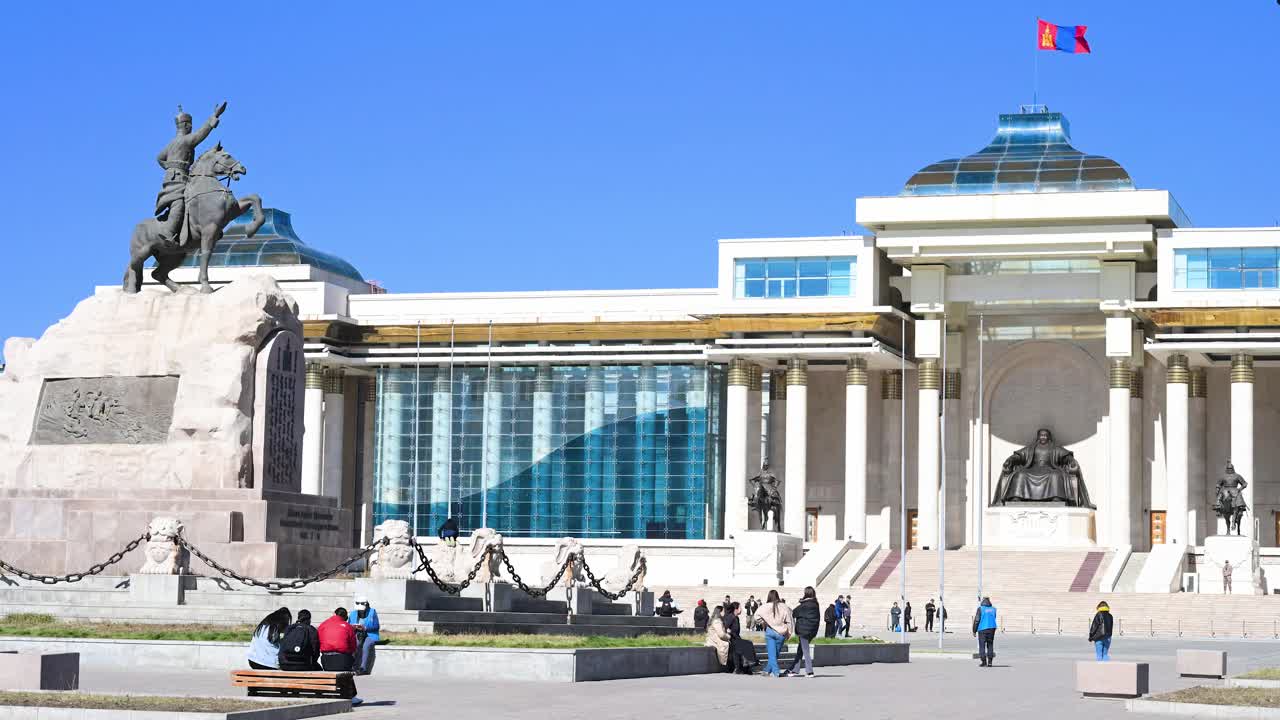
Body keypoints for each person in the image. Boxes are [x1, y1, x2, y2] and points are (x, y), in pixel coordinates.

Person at [783, 586, 819, 678]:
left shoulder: (804, 605)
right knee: (801, 650)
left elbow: (794, 613)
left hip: (803, 631)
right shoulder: (815, 604)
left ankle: (809, 671)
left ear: (806, 593)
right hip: (812, 631)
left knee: (805, 651)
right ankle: (795, 669)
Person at [757, 589, 793, 677]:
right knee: (775, 654)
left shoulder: (765, 606)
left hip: (770, 631)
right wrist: (789, 632)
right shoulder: (784, 606)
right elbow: (789, 621)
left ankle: (770, 671)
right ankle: (774, 671)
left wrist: (764, 622)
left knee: (772, 654)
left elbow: (756, 617)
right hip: (781, 632)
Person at [318, 607, 358, 672]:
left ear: (334, 614)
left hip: (326, 661)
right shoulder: (348, 626)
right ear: (345, 617)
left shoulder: (323, 624)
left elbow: (319, 641)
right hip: (343, 660)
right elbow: (353, 646)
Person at [725, 602, 757, 674]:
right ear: (736, 609)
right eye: (740, 608)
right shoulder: (731, 617)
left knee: (748, 643)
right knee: (747, 644)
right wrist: (729, 632)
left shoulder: (736, 617)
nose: (741, 609)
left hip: (737, 638)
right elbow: (725, 627)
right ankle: (749, 662)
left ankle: (749, 663)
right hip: (732, 639)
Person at [351, 595, 380, 675]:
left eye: (362, 610)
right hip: (357, 633)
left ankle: (363, 668)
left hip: (370, 634)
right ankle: (353, 666)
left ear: (367, 606)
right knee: (355, 645)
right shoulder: (353, 614)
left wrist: (365, 628)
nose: (360, 612)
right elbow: (348, 625)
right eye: (359, 611)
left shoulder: (372, 612)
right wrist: (354, 627)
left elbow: (376, 626)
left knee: (366, 646)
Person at [705, 605, 733, 672]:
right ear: (719, 612)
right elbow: (721, 634)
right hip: (716, 642)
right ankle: (732, 667)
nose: (724, 612)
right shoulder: (717, 621)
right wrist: (729, 636)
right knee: (733, 646)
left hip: (715, 640)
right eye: (723, 611)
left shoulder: (716, 620)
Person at [973, 597, 998, 667]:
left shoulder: (980, 609)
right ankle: (990, 662)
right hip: (992, 628)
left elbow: (977, 620)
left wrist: (974, 630)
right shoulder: (993, 609)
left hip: (982, 628)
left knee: (982, 645)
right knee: (990, 645)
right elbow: (994, 617)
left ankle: (984, 661)